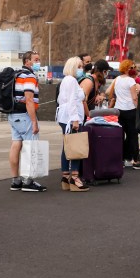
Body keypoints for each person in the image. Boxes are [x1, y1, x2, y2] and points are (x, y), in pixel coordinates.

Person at [9, 50, 46, 192]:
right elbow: (29, 100)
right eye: (36, 60)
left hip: (13, 115)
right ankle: (28, 181)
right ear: (27, 62)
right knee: (31, 147)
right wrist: (34, 122)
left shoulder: (17, 74)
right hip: (25, 115)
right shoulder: (29, 76)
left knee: (15, 145)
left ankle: (15, 180)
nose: (38, 62)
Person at [56, 56, 89, 191]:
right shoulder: (71, 81)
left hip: (66, 117)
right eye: (79, 67)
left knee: (67, 145)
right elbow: (72, 101)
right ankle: (74, 177)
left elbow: (62, 99)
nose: (82, 69)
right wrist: (75, 119)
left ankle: (65, 175)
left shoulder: (67, 81)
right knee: (75, 146)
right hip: (71, 118)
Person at [109, 58, 140, 169]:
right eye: (132, 68)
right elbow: (134, 97)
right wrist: (139, 109)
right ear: (127, 69)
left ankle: (122, 158)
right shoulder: (130, 81)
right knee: (133, 136)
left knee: (121, 135)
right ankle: (135, 159)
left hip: (119, 110)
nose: (134, 69)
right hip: (130, 110)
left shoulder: (117, 79)